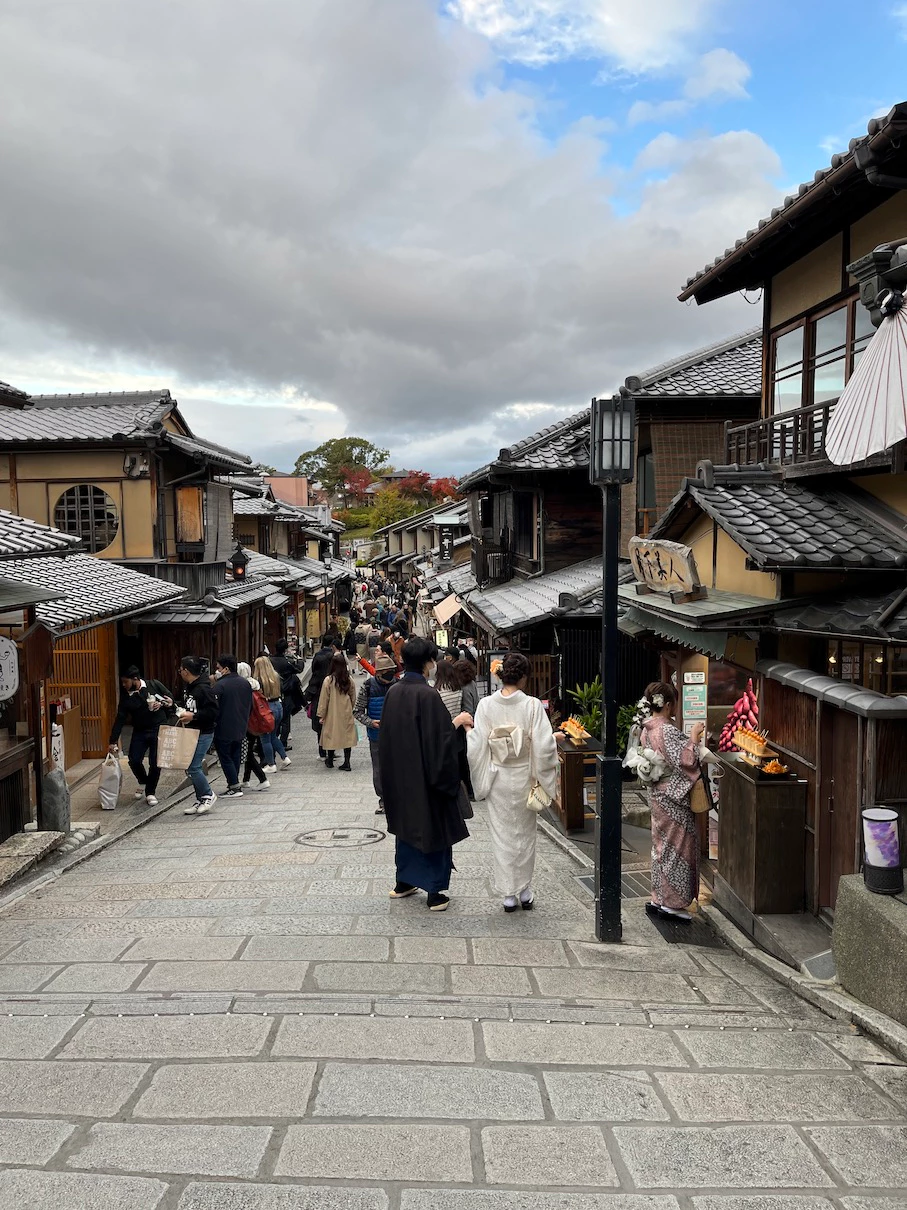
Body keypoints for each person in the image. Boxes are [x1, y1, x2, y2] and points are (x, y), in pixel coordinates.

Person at [379, 636, 472, 912]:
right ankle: (434, 892)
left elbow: (387, 737)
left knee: (406, 830)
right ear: (428, 662)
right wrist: (457, 722)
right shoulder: (428, 695)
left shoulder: (394, 692)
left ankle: (404, 881)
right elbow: (440, 742)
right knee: (433, 832)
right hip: (426, 779)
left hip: (400, 776)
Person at [467, 651, 558, 913]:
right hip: (524, 777)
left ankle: (508, 895)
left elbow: (477, 746)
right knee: (525, 835)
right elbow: (543, 746)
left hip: (498, 777)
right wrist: (554, 742)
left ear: (501, 675)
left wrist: (468, 731)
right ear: (524, 678)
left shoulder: (486, 705)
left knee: (502, 835)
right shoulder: (532, 705)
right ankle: (525, 891)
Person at [638, 680, 704, 923]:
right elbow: (686, 761)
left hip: (658, 794)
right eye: (674, 703)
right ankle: (673, 904)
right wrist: (694, 737)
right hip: (673, 797)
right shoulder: (666, 730)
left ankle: (659, 897)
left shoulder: (647, 728)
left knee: (661, 847)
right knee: (677, 849)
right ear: (667, 705)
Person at [108, 665, 174, 807]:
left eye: (126, 682)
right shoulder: (126, 696)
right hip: (140, 730)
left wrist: (162, 704)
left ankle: (150, 792)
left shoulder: (154, 685)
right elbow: (120, 718)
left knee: (155, 762)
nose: (124, 685)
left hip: (158, 728)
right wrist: (112, 741)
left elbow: (170, 699)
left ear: (135, 679)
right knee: (134, 759)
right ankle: (143, 781)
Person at [354, 652, 398, 813]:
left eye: (391, 671)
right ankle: (383, 800)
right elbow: (357, 711)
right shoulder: (368, 687)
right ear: (378, 672)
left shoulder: (399, 685)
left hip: (398, 735)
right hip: (376, 736)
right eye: (386, 672)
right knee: (379, 769)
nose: (389, 675)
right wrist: (370, 722)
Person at [177, 656, 219, 815]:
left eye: (181, 669)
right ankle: (200, 798)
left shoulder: (204, 689)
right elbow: (189, 707)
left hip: (204, 733)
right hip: (191, 732)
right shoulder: (190, 687)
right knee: (191, 768)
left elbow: (213, 712)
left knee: (194, 767)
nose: (180, 672)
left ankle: (208, 795)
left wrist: (193, 716)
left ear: (186, 671)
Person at [211, 653, 253, 798]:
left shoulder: (220, 686)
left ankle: (234, 785)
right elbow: (250, 705)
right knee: (235, 754)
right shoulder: (245, 683)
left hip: (224, 726)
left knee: (225, 756)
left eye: (218, 668)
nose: (217, 670)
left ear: (226, 669)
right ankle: (234, 783)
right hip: (241, 724)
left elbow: (214, 708)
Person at [317, 651, 358, 770]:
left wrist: (321, 714)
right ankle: (347, 762)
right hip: (346, 710)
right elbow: (353, 696)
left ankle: (330, 760)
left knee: (331, 734)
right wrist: (350, 707)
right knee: (347, 735)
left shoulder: (329, 680)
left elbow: (324, 699)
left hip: (332, 711)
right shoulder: (348, 679)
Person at [252, 655, 292, 772]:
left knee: (265, 738)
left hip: (267, 708)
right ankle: (284, 757)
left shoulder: (258, 681)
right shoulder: (276, 677)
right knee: (273, 736)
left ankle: (271, 764)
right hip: (278, 706)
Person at [237, 662, 270, 791]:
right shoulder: (255, 684)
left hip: (248, 723)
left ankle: (262, 779)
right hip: (255, 722)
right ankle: (246, 779)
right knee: (248, 750)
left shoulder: (243, 687)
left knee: (247, 753)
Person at [307, 636, 341, 757]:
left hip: (318, 691)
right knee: (331, 721)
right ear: (332, 644)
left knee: (320, 720)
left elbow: (314, 672)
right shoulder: (334, 657)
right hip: (332, 690)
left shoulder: (318, 655)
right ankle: (331, 750)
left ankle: (322, 751)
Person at [270, 639, 301, 749]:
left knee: (275, 718)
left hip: (273, 692)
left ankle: (274, 740)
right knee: (285, 720)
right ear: (285, 649)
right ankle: (283, 743)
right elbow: (298, 669)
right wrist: (299, 660)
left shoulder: (270, 661)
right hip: (286, 692)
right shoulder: (287, 662)